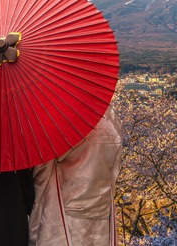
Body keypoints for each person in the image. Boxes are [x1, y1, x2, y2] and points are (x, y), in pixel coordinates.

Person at [29, 104, 123, 246]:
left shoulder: (66, 121)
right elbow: (114, 168)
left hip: (67, 211)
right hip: (101, 210)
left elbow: (42, 173)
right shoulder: (111, 120)